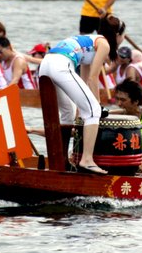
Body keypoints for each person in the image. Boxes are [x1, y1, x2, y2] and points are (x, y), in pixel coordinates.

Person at [39, 14, 126, 175]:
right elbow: (94, 78)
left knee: (68, 113)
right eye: (123, 36)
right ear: (117, 35)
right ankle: (87, 159)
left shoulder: (90, 40)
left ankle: (62, 160)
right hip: (60, 65)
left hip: (45, 64)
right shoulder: (104, 44)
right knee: (93, 111)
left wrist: (84, 109)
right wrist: (98, 108)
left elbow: (85, 81)